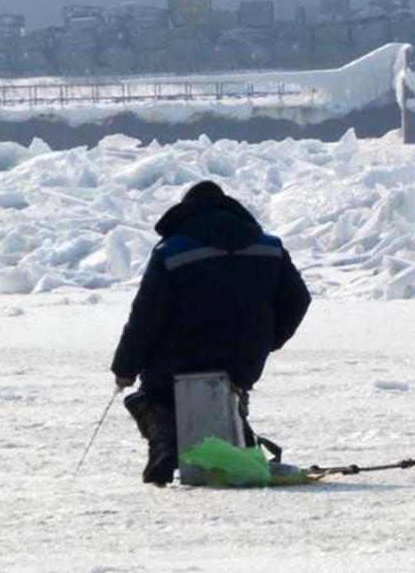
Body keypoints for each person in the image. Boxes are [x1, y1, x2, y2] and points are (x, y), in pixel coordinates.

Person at [111, 180, 311, 486]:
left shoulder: (171, 251)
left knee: (154, 396)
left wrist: (125, 368)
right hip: (243, 359)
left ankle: (164, 444)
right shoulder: (269, 247)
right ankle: (238, 443)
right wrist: (267, 341)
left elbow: (146, 317)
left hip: (179, 357)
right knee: (231, 390)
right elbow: (298, 300)